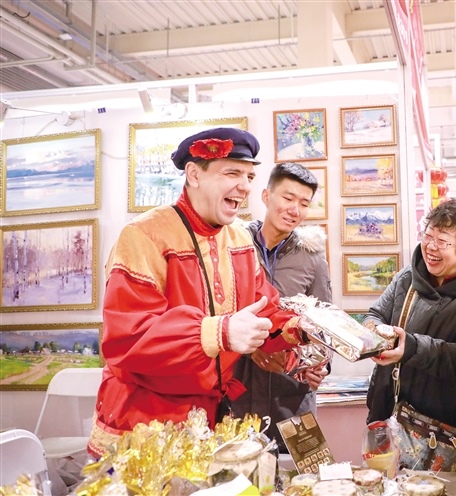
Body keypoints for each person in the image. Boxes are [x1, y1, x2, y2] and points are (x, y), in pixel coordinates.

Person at [87, 128, 307, 458]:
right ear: (193, 174)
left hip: (206, 421)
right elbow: (128, 338)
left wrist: (302, 330)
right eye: (232, 173)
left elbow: (264, 309)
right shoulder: (143, 235)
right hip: (142, 424)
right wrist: (220, 332)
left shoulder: (239, 239)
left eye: (249, 176)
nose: (245, 186)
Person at [365, 197, 456, 430]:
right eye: (428, 236)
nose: (431, 247)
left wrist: (410, 347)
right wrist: (373, 335)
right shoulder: (408, 277)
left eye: (442, 241)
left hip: (441, 428)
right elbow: (376, 314)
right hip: (389, 411)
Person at [232, 162, 332, 451]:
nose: (294, 210)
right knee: (239, 473)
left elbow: (325, 323)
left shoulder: (312, 258)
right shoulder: (234, 246)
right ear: (266, 196)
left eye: (304, 203)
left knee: (303, 474)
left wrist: (321, 367)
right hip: (238, 395)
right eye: (288, 198)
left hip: (294, 399)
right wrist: (250, 348)